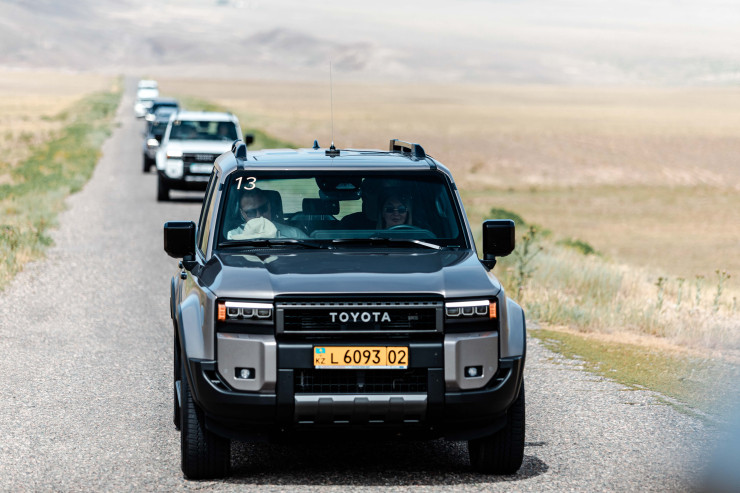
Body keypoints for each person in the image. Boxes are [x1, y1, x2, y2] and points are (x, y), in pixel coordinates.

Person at [227, 188, 307, 239]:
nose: (259, 216)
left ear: (269, 206)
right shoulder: (232, 237)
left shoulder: (294, 234)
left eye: (263, 209)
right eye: (251, 212)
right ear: (243, 214)